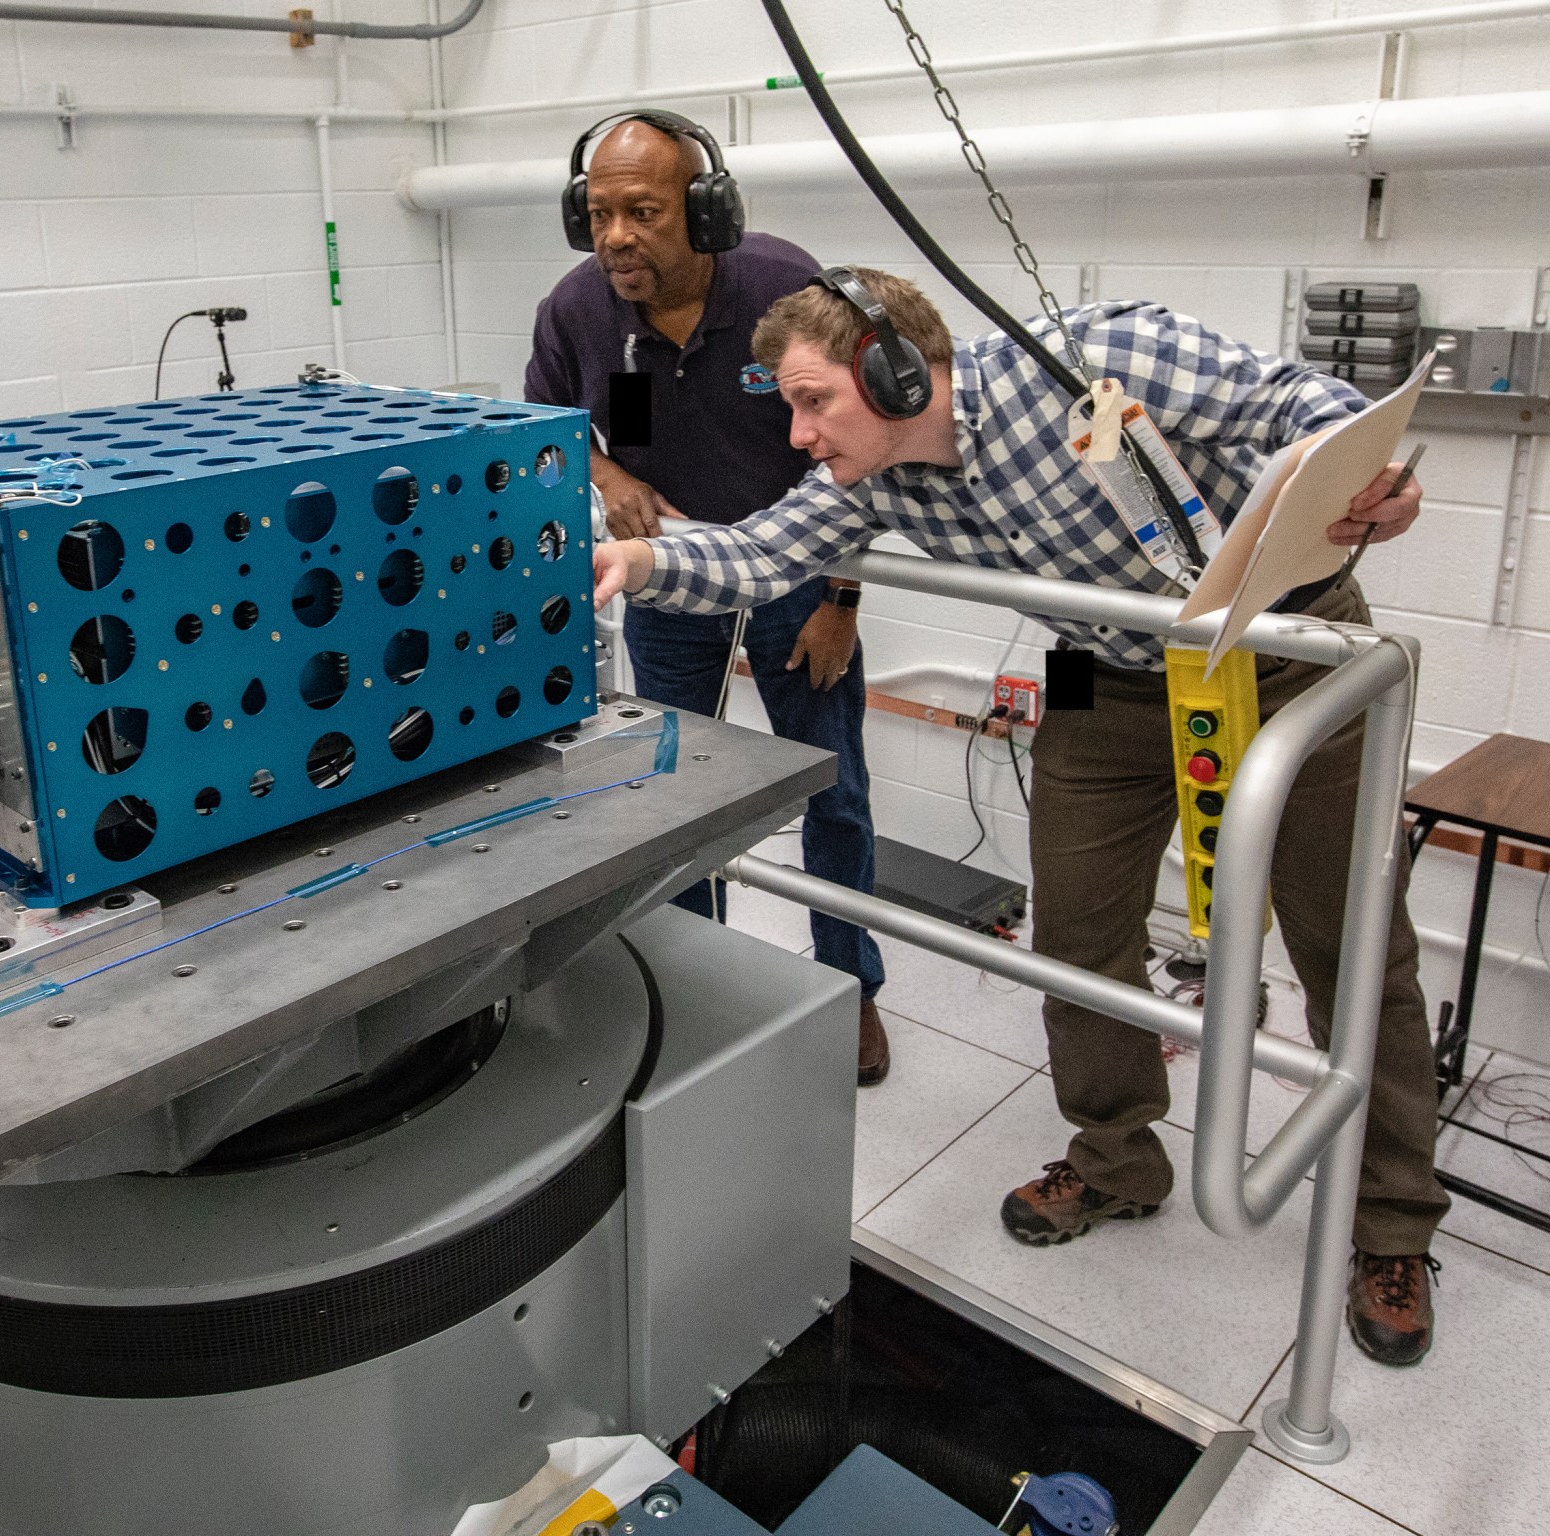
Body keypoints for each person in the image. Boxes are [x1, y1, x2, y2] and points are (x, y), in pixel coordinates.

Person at [591, 267, 1449, 1368]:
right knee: (1079, 933)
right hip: (1100, 672)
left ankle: (1390, 1224)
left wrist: (1371, 480)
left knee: (1352, 947)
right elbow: (760, 552)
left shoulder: (1096, 357)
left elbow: (1297, 402)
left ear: (898, 372)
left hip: (1286, 651)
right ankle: (1114, 1158)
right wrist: (641, 558)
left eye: (813, 403)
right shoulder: (876, 476)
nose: (799, 436)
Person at [523, 112, 891, 1085]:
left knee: (831, 788)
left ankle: (850, 990)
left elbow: (870, 449)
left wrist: (841, 598)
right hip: (672, 571)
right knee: (672, 795)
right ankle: (695, 977)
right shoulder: (576, 312)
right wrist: (604, 477)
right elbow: (545, 430)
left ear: (705, 210)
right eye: (598, 213)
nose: (615, 237)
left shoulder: (783, 289)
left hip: (794, 574)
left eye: (641, 211)